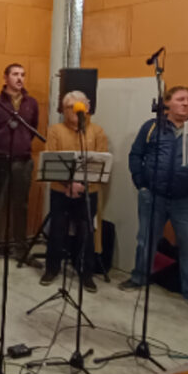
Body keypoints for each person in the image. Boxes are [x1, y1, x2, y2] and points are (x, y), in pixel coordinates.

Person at [119, 85, 188, 315]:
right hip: (153, 196)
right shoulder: (151, 127)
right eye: (180, 99)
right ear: (167, 103)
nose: (186, 103)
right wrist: (141, 183)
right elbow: (136, 154)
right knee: (146, 241)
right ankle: (139, 278)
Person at [42, 91, 108, 293]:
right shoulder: (55, 131)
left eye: (78, 106)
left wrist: (82, 185)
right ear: (63, 110)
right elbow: (51, 159)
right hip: (60, 190)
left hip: (88, 191)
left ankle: (85, 273)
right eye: (69, 107)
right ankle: (52, 269)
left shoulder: (97, 131)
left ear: (87, 108)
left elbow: (102, 162)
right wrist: (68, 184)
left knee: (86, 232)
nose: (74, 110)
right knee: (57, 230)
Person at [0, 63, 39, 257]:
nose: (20, 78)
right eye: (15, 74)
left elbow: (32, 129)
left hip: (22, 162)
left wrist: (21, 144)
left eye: (22, 74)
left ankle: (20, 249)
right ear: (5, 78)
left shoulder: (31, 103)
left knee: (20, 206)